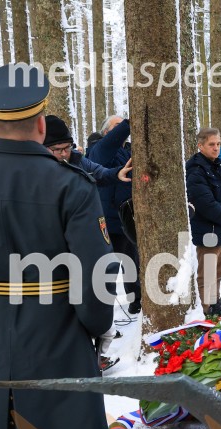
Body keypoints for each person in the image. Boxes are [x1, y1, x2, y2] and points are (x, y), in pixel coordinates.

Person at [0, 63, 117, 429]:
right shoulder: (71, 186)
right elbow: (95, 278)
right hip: (56, 334)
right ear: (41, 124)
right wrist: (95, 327)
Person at [87, 113, 141, 314]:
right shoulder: (98, 149)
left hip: (128, 218)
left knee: (132, 265)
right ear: (108, 132)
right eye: (117, 127)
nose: (124, 131)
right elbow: (102, 154)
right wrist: (128, 122)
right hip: (108, 220)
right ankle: (101, 312)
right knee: (108, 269)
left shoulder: (126, 150)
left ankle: (136, 303)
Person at [186, 128, 221, 317]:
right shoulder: (195, 169)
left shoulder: (219, 165)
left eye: (218, 144)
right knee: (208, 275)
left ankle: (216, 306)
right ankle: (209, 312)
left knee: (219, 272)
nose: (216, 148)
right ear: (200, 145)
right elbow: (206, 204)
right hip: (208, 231)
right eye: (211, 144)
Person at [44, 115, 132, 185]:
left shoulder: (77, 160)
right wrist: (127, 125)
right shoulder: (99, 146)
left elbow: (98, 172)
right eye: (57, 149)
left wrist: (117, 173)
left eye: (67, 147)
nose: (64, 153)